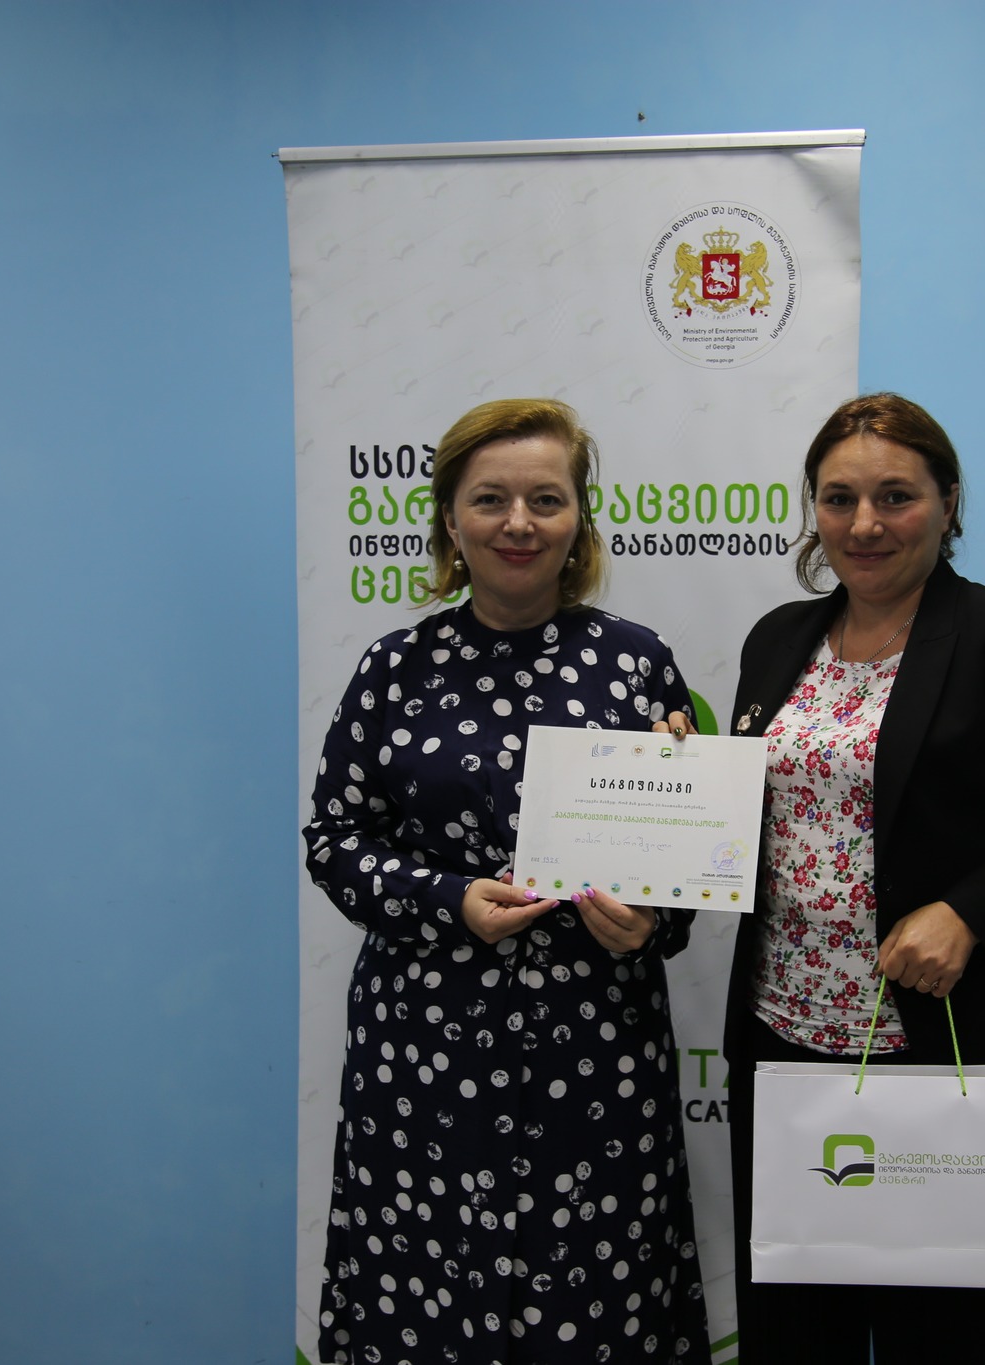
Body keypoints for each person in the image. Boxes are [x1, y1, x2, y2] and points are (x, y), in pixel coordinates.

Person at [720, 393, 985, 1364]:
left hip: (947, 1053)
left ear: (948, 502)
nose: (864, 524)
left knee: (958, 1340)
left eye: (895, 496)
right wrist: (675, 780)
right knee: (795, 1342)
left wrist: (968, 912)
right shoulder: (776, 638)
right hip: (786, 1053)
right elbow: (760, 814)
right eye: (839, 498)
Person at [302, 398, 709, 1365]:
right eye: (490, 499)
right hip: (424, 1052)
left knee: (597, 1291)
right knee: (425, 1289)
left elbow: (688, 859)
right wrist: (447, 900)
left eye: (545, 499)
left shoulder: (637, 662)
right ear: (450, 518)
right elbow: (333, 840)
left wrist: (654, 919)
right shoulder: (393, 668)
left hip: (596, 1044)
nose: (518, 522)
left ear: (579, 519)